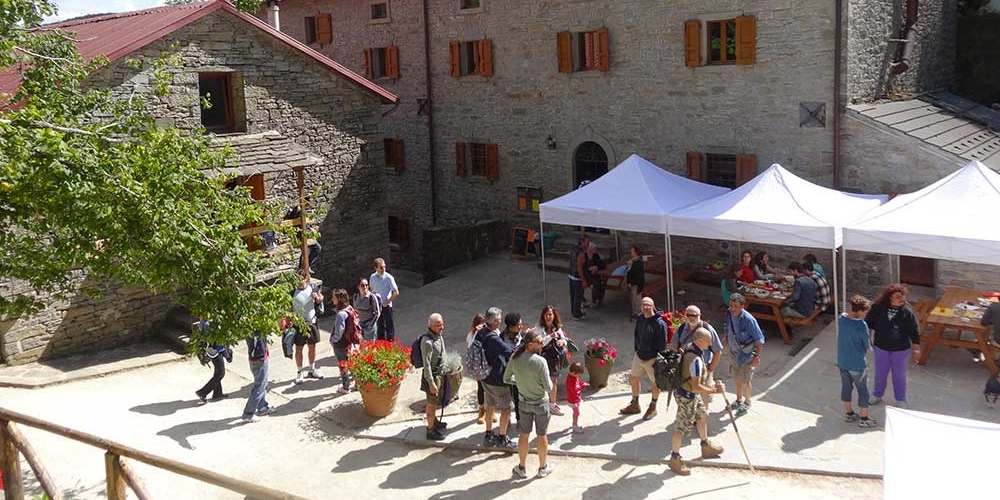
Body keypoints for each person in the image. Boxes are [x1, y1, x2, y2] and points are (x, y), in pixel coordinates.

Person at [667, 328, 726, 476]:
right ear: (700, 341)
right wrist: (715, 391)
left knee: (702, 415)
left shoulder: (689, 347)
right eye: (708, 340)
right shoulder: (696, 361)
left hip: (687, 392)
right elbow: (696, 386)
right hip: (687, 396)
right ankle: (674, 458)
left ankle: (705, 445)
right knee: (680, 427)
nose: (711, 343)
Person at [504, 329, 555, 479]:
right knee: (542, 435)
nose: (541, 344)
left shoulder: (515, 358)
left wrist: (519, 382)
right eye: (539, 342)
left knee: (524, 435)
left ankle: (521, 467)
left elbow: (506, 379)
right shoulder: (540, 362)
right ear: (530, 344)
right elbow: (548, 387)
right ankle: (542, 467)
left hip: (524, 403)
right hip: (541, 404)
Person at [866, 284, 920, 406]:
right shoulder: (878, 308)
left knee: (899, 375)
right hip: (881, 347)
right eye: (898, 296)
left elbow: (914, 331)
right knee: (880, 373)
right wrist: (867, 339)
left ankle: (900, 399)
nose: (902, 299)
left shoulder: (907, 312)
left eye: (903, 296)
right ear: (889, 297)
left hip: (901, 350)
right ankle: (877, 395)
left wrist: (917, 350)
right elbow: (868, 323)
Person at [619, 296, 668, 420]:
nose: (646, 307)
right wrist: (637, 348)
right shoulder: (640, 318)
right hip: (639, 355)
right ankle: (635, 403)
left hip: (652, 359)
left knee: (655, 384)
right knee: (634, 377)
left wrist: (659, 360)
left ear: (653, 306)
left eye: (648, 305)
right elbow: (637, 334)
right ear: (641, 306)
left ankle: (653, 406)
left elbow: (663, 344)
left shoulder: (659, 323)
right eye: (643, 304)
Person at [669, 305, 723, 406]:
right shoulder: (681, 329)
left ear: (699, 315)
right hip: (685, 371)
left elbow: (718, 350)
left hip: (703, 369)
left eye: (694, 315)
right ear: (685, 316)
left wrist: (710, 368)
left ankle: (701, 418)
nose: (691, 317)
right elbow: (673, 346)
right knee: (686, 397)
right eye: (689, 315)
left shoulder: (707, 329)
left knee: (704, 399)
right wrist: (678, 352)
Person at [477, 307, 515, 448]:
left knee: (490, 405)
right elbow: (509, 352)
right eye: (499, 320)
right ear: (493, 322)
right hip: (497, 379)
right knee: (506, 408)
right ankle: (502, 438)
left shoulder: (481, 332)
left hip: (485, 377)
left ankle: (488, 435)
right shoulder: (493, 338)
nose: (500, 322)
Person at [723, 293, 765, 416]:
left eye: (735, 306)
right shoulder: (729, 313)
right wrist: (726, 337)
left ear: (742, 306)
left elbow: (759, 339)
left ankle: (747, 403)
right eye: (731, 305)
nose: (732, 308)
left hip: (746, 355)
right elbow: (728, 326)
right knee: (736, 378)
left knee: (746, 380)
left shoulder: (749, 320)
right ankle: (738, 400)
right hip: (733, 352)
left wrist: (757, 356)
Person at [838, 295, 876, 427]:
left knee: (846, 387)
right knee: (863, 390)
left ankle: (849, 414)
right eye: (865, 311)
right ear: (859, 310)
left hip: (842, 361)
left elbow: (844, 315)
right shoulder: (861, 325)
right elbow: (866, 344)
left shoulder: (841, 319)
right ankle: (864, 418)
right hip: (857, 363)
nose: (866, 314)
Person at [291, 277, 325, 384]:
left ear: (305, 279)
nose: (300, 281)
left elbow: (321, 298)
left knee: (312, 346)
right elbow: (288, 308)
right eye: (297, 279)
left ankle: (312, 369)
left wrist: (318, 297)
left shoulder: (312, 287)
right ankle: (300, 372)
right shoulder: (292, 291)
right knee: (299, 349)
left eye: (301, 279)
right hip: (298, 325)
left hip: (311, 323)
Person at [538, 305, 568, 416]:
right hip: (543, 357)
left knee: (554, 380)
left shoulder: (557, 327)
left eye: (550, 314)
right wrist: (550, 336)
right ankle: (543, 403)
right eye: (546, 315)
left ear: (554, 315)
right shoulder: (539, 328)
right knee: (543, 381)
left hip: (554, 357)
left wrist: (562, 342)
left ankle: (552, 404)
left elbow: (564, 339)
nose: (548, 317)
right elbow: (541, 343)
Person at [421, 313, 448, 440]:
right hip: (432, 378)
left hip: (440, 376)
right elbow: (426, 365)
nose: (441, 327)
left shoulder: (438, 336)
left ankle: (435, 422)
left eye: (442, 324)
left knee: (436, 402)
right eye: (438, 325)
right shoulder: (427, 342)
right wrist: (431, 383)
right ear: (430, 326)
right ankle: (430, 430)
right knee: (431, 405)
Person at [329, 288, 360, 394]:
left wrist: (333, 340)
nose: (332, 300)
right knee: (351, 363)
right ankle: (357, 384)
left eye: (334, 298)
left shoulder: (341, 314)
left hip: (340, 344)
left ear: (339, 299)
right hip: (348, 342)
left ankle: (345, 387)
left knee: (343, 365)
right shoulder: (349, 308)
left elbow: (339, 331)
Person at [242, 330, 276, 422]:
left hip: (256, 359)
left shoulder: (249, 327)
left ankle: (262, 407)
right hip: (259, 359)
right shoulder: (256, 329)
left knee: (262, 384)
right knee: (259, 387)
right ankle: (248, 414)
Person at [194, 320, 229, 404]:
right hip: (215, 351)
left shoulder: (204, 323)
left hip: (213, 351)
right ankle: (202, 392)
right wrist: (225, 352)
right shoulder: (208, 324)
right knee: (221, 373)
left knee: (217, 372)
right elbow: (217, 340)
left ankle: (217, 393)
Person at [284, 202, 321, 274]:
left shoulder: (299, 210)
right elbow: (298, 224)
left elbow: (303, 224)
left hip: (302, 233)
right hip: (300, 234)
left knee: (306, 250)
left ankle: (303, 267)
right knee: (316, 248)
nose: (308, 206)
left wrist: (310, 229)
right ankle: (304, 267)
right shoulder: (297, 211)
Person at [465, 313, 489, 424]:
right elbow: (470, 348)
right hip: (478, 365)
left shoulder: (489, 332)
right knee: (481, 388)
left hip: (488, 364)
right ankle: (481, 409)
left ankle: (490, 410)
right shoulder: (472, 334)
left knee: (490, 389)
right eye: (479, 324)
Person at [370, 257, 400, 341]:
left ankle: (390, 344)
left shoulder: (389, 278)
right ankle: (381, 345)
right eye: (381, 267)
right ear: (376, 268)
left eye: (384, 267)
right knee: (380, 326)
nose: (383, 269)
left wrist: (387, 302)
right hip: (377, 306)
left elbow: (396, 292)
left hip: (386, 306)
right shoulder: (372, 277)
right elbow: (371, 290)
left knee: (389, 326)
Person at [502, 312, 525, 421]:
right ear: (511, 327)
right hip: (508, 371)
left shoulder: (523, 336)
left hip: (520, 371)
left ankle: (519, 417)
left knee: (518, 396)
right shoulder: (502, 338)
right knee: (507, 396)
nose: (521, 326)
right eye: (518, 324)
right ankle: (507, 418)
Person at [568, 236, 590, 320]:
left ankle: (574, 312)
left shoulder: (573, 249)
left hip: (571, 275)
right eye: (586, 243)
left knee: (573, 295)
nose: (587, 245)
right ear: (582, 242)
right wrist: (584, 280)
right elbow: (579, 267)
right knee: (578, 296)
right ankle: (576, 314)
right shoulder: (581, 253)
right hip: (577, 277)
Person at [565, 362, 587, 433]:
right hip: (573, 400)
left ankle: (574, 424)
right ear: (574, 372)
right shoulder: (570, 381)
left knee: (576, 412)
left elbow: (578, 383)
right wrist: (582, 386)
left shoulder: (574, 377)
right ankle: (575, 426)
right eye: (579, 374)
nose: (579, 376)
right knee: (576, 413)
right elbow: (575, 390)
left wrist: (582, 383)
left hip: (575, 399)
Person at [625, 244, 645, 319]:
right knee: (633, 299)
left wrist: (631, 282)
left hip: (636, 284)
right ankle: (635, 313)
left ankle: (638, 314)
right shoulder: (633, 261)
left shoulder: (638, 262)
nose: (631, 251)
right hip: (634, 283)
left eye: (632, 250)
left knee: (636, 299)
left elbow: (638, 275)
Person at [584, 242, 607, 307]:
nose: (596, 250)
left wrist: (596, 267)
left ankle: (596, 300)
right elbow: (581, 267)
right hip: (585, 276)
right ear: (590, 249)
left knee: (600, 284)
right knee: (581, 285)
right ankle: (583, 300)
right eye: (595, 249)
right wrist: (589, 269)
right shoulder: (584, 256)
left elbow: (602, 264)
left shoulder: (596, 256)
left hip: (594, 276)